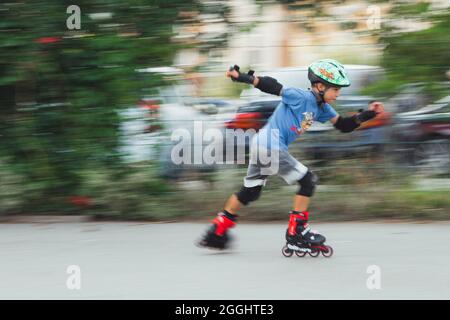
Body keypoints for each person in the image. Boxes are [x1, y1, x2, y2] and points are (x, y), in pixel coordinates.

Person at [196, 59, 385, 252]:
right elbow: (271, 85)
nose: (338, 94)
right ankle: (296, 233)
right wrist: (241, 77)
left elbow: (343, 125)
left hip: (262, 145)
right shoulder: (300, 97)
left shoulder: (323, 108)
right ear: (320, 86)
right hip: (270, 147)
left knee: (250, 191)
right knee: (308, 181)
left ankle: (217, 231)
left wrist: (369, 114)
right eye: (335, 89)